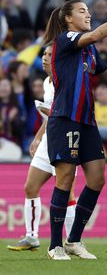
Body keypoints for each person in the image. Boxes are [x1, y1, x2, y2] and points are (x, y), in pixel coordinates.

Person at [42, 0, 107, 260]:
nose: (88, 15)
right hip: (65, 118)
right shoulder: (65, 40)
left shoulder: (89, 50)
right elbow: (97, 33)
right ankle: (55, 245)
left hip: (87, 120)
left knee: (97, 179)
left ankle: (73, 239)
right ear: (68, 19)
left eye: (88, 11)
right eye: (82, 11)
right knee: (65, 180)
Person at [7, 45, 77, 251]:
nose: (45, 58)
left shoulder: (66, 80)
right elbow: (50, 117)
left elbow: (68, 112)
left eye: (50, 54)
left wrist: (50, 111)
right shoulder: (47, 82)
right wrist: (38, 138)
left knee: (68, 194)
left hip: (65, 139)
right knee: (30, 187)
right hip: (49, 139)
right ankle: (31, 237)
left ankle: (72, 241)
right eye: (44, 54)